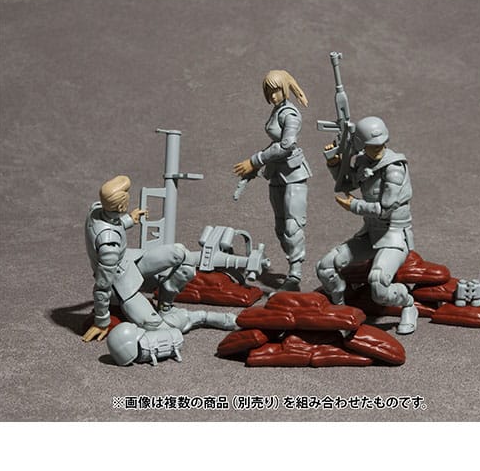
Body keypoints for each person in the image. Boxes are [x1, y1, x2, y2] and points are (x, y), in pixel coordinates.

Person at [83, 175, 236, 343]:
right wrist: (101, 321)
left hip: (130, 260)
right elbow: (103, 285)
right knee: (160, 328)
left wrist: (129, 219)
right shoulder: (109, 246)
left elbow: (109, 222)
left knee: (180, 253)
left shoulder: (96, 209)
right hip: (120, 283)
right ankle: (199, 317)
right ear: (121, 206)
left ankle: (165, 305)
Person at [315, 116, 418, 334]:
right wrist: (335, 163)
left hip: (394, 235)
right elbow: (346, 183)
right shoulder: (363, 161)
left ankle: (408, 304)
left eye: (380, 144)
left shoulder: (394, 169)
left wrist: (354, 205)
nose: (377, 148)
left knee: (378, 283)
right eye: (372, 145)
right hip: (371, 233)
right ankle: (341, 309)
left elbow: (385, 208)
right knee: (325, 267)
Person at [234, 70, 311, 291]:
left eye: (277, 90)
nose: (273, 96)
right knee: (280, 226)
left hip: (294, 175)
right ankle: (292, 264)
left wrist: (255, 161)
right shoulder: (277, 111)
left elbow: (287, 145)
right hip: (277, 174)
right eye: (269, 91)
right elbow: (274, 145)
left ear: (284, 89)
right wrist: (256, 167)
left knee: (292, 226)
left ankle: (295, 274)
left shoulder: (290, 114)